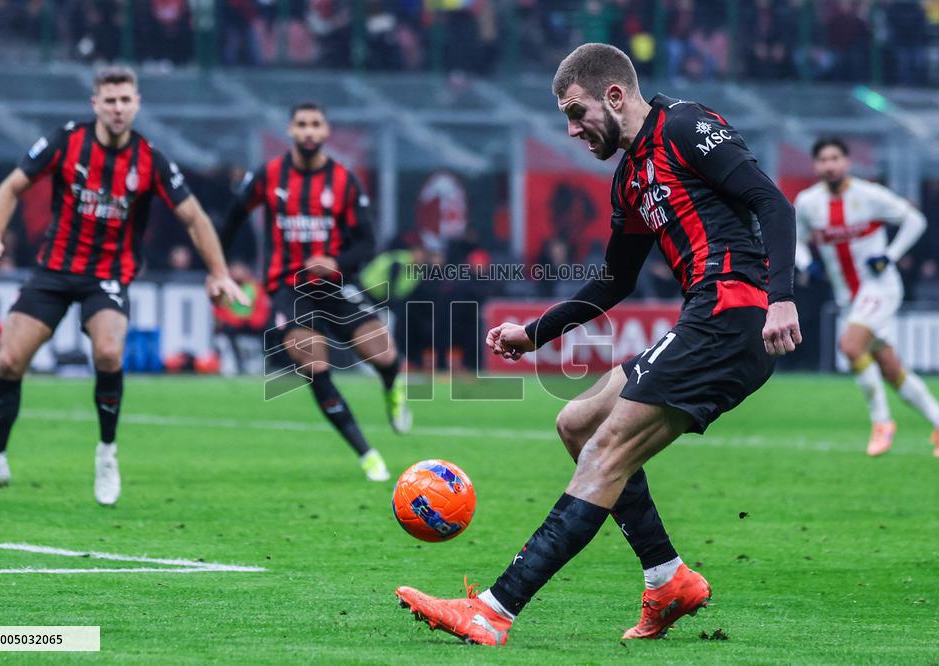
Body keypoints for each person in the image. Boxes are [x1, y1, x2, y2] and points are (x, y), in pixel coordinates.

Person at [395, 43, 801, 646]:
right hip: (706, 317)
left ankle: (493, 609)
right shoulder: (631, 178)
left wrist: (783, 296)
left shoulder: (687, 126)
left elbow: (771, 201)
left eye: (576, 111)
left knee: (606, 451)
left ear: (614, 95)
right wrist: (535, 334)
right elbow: (616, 279)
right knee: (579, 424)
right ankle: (668, 580)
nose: (571, 128)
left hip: (732, 314)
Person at [0, 66, 247, 507]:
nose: (117, 108)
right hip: (54, 269)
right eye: (109, 100)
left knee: (109, 352)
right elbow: (12, 186)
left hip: (108, 275)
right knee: (9, 360)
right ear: (95, 103)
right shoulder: (66, 141)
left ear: (137, 103)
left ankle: (107, 454)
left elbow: (195, 217)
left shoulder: (150, 159)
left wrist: (219, 271)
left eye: (125, 100)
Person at [221, 101, 410, 483]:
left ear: (326, 132)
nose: (308, 131)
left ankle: (392, 387)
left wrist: (336, 262)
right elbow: (232, 221)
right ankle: (367, 454)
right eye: (302, 124)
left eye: (315, 125)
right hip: (288, 288)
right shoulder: (268, 176)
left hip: (335, 285)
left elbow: (367, 243)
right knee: (316, 366)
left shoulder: (343, 180)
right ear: (290, 130)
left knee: (386, 354)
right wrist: (226, 266)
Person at [795, 137, 938, 457]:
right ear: (816, 165)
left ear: (847, 162)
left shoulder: (869, 195)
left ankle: (882, 423)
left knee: (849, 345)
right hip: (850, 297)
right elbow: (797, 240)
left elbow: (915, 220)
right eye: (823, 159)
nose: (829, 165)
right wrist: (807, 264)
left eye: (835, 158)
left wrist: (889, 254)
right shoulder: (808, 203)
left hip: (881, 288)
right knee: (889, 367)